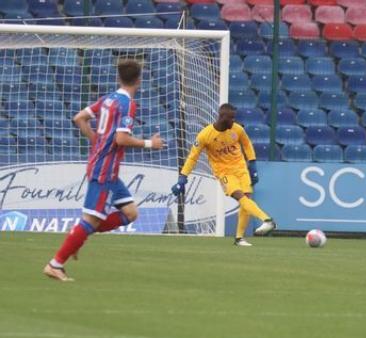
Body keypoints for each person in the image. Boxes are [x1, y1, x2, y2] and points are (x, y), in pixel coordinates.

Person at [43, 59, 164, 281]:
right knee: (91, 220)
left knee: (130, 213)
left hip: (106, 169)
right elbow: (121, 138)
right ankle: (56, 264)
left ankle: (79, 236)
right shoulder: (127, 104)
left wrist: (95, 142)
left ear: (119, 78)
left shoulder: (108, 99)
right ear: (139, 80)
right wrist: (149, 144)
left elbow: (79, 118)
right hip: (104, 171)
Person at [171, 104, 275, 246]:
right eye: (231, 118)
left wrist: (252, 163)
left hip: (241, 169)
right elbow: (192, 157)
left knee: (246, 199)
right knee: (240, 196)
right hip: (224, 173)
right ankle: (267, 220)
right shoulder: (204, 135)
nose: (233, 121)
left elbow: (247, 144)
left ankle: (239, 238)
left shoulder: (237, 129)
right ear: (222, 117)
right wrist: (183, 177)